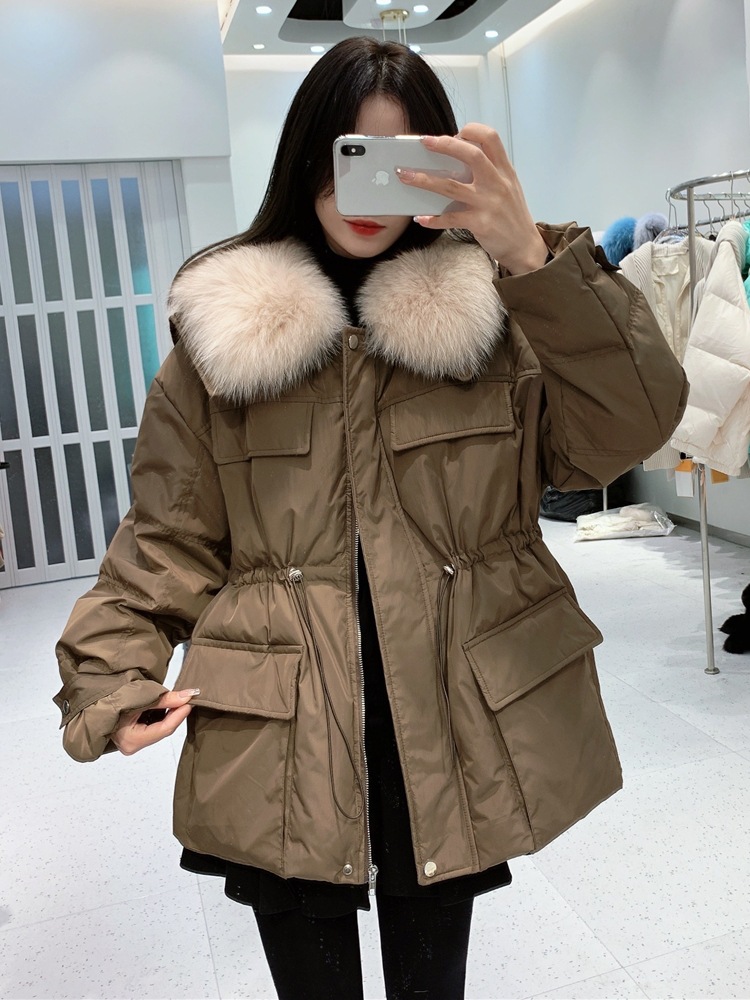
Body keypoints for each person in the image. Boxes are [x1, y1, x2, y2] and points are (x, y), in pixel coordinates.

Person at [54, 36, 688, 1000]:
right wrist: (109, 677)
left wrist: (531, 256)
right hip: (281, 726)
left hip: (451, 713)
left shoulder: (500, 320)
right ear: (303, 157)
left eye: (394, 160)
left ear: (436, 165)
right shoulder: (223, 341)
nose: (361, 192)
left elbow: (630, 427)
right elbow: (166, 536)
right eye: (345, 155)